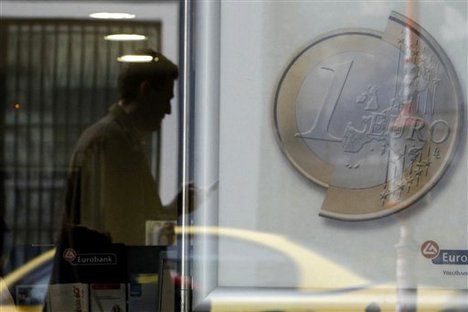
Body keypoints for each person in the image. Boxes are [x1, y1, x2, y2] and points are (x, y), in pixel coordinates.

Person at [63, 49, 178, 245]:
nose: (168, 110)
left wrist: (176, 209)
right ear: (146, 90)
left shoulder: (119, 139)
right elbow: (112, 228)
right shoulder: (110, 142)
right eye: (166, 98)